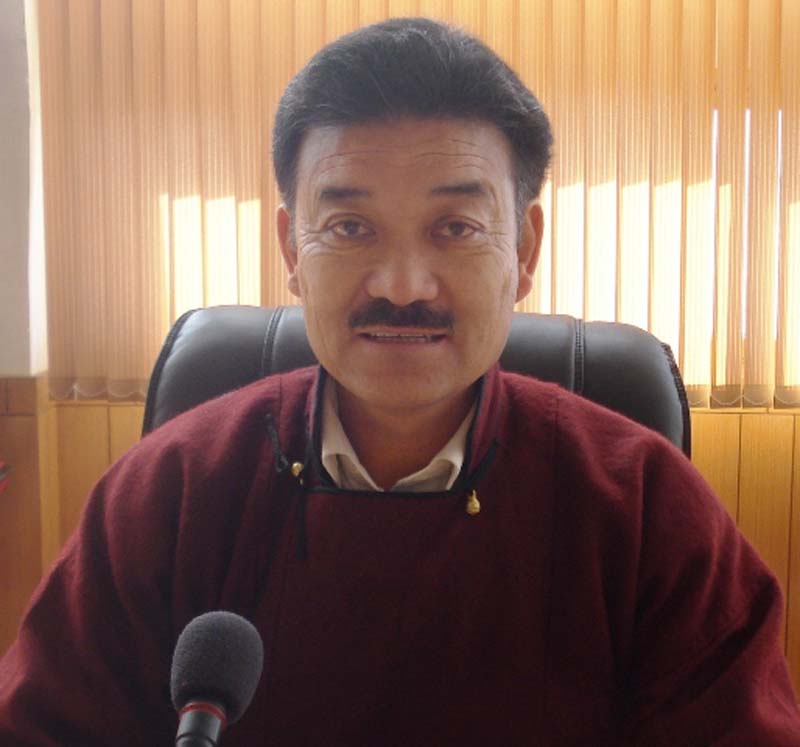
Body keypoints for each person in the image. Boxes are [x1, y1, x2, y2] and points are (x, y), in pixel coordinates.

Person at [1, 17, 799, 746]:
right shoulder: (169, 490)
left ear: (524, 250)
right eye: (350, 226)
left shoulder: (646, 508)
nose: (403, 284)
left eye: (455, 227)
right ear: (292, 250)